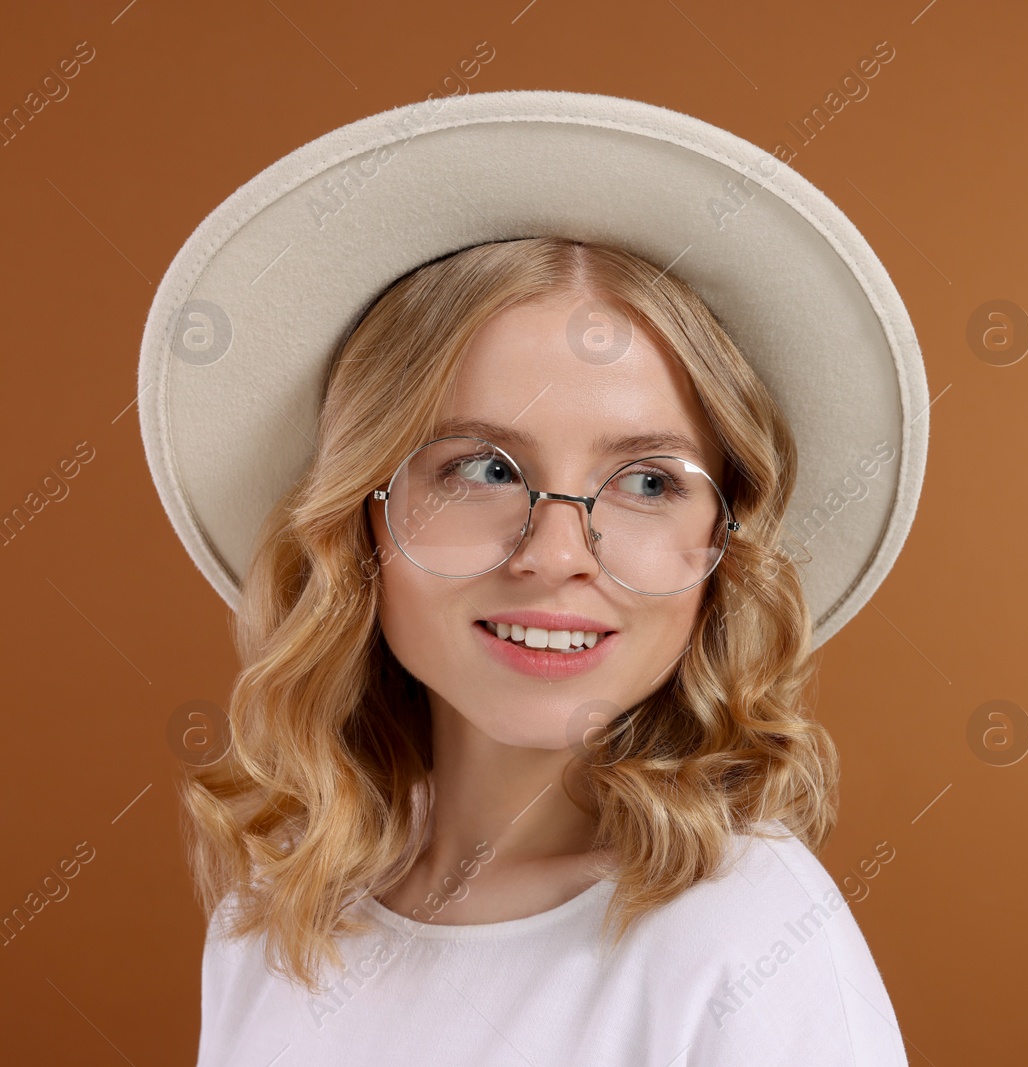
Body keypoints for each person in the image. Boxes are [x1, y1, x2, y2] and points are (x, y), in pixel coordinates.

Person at [139, 91, 928, 1066]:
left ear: (721, 543)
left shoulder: (749, 943)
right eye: (483, 468)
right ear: (361, 514)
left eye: (645, 481)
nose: (555, 553)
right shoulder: (280, 912)